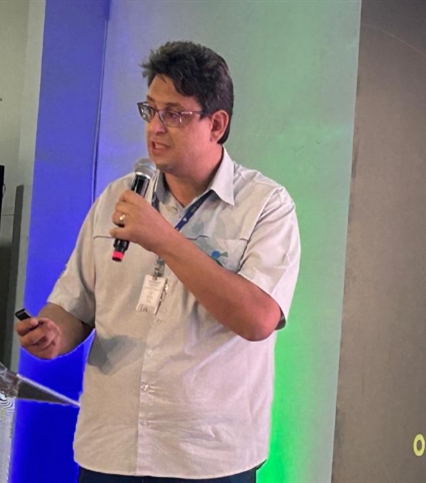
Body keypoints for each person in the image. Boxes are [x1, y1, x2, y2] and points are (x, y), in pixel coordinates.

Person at [15, 41, 301, 483]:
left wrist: (164, 239)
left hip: (207, 458)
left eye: (175, 114)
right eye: (150, 110)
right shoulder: (117, 197)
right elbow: (75, 304)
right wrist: (52, 334)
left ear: (217, 124)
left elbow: (258, 319)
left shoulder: (265, 205)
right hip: (110, 450)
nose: (156, 127)